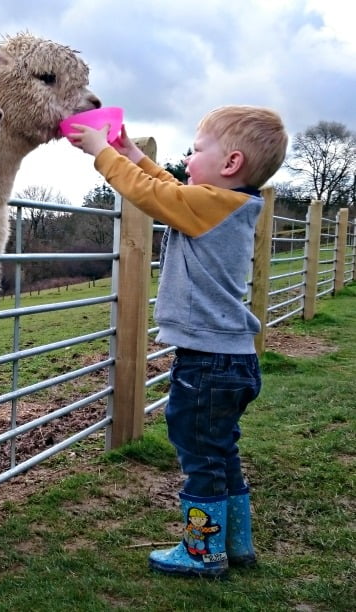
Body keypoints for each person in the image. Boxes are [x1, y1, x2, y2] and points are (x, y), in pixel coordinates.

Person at [66, 105, 288, 577]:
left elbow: (151, 195)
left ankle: (202, 553)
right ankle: (235, 543)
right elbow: (169, 189)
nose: (187, 159)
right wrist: (130, 152)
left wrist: (103, 154)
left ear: (229, 165)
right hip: (231, 360)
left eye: (196, 149)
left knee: (199, 453)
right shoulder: (223, 204)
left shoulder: (214, 206)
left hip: (209, 363)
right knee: (220, 451)